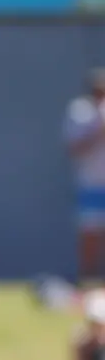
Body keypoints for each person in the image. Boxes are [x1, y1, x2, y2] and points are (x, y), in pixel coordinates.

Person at [64, 68, 105, 282]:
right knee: (90, 236)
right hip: (91, 184)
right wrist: (98, 130)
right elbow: (74, 147)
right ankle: (87, 280)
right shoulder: (80, 112)